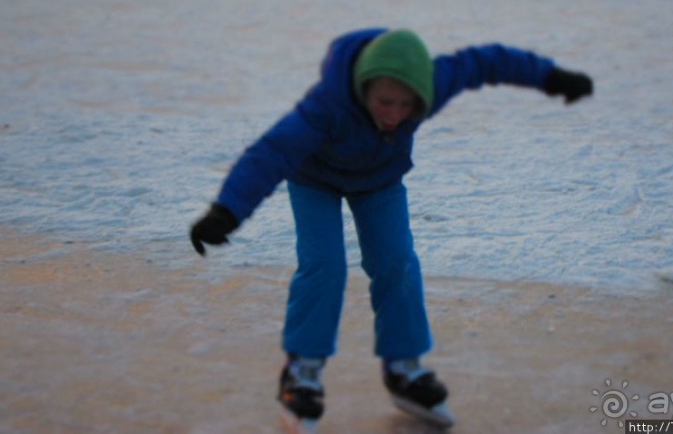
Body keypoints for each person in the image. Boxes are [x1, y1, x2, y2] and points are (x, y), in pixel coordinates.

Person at [189, 28, 593, 427]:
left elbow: (488, 61)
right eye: (384, 102)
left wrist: (550, 77)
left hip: (379, 180)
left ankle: (405, 369)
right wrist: (227, 211)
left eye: (407, 105)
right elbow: (272, 152)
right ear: (364, 88)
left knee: (396, 263)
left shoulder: (430, 84)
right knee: (323, 266)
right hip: (314, 179)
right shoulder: (327, 105)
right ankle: (302, 372)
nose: (395, 114)